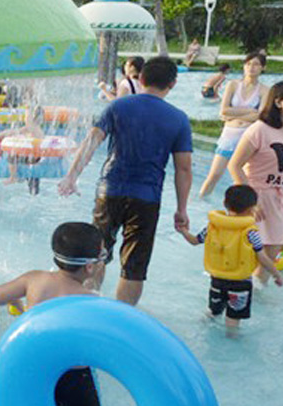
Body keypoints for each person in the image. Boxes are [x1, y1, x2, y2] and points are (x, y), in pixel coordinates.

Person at [59, 57, 193, 306]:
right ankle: (121, 317)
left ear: (141, 78)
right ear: (172, 84)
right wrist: (181, 209)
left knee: (97, 253)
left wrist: (72, 176)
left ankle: (88, 308)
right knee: (134, 266)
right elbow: (183, 169)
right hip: (147, 198)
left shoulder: (118, 106)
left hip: (109, 190)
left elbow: (92, 141)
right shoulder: (179, 119)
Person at [0, 222, 113, 406]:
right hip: (73, 375)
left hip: (37, 370)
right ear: (89, 267)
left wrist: (19, 306)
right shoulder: (91, 300)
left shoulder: (35, 280)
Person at [228, 80, 283, 285]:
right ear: (279, 102)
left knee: (269, 258)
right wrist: (250, 203)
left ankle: (256, 295)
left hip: (279, 200)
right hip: (253, 199)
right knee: (241, 257)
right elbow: (235, 165)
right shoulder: (259, 130)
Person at [178, 185, 282, 329]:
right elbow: (262, 257)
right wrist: (276, 274)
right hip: (240, 283)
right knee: (233, 320)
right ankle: (232, 337)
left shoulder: (212, 227)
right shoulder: (250, 232)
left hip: (217, 280)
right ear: (252, 209)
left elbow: (194, 241)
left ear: (224, 204)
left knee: (213, 312)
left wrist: (183, 231)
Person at [198, 53, 268, 198]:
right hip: (229, 135)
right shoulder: (233, 85)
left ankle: (242, 209)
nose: (251, 67)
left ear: (262, 68)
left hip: (248, 138)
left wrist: (233, 114)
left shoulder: (264, 90)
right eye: (248, 64)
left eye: (256, 64)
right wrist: (250, 111)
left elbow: (260, 116)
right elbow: (224, 110)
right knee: (214, 175)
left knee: (243, 180)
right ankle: (200, 201)